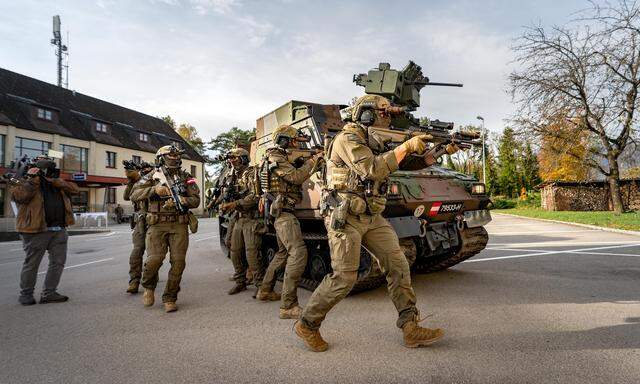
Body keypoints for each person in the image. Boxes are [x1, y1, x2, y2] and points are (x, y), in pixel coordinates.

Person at [295, 95, 458, 352]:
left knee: (398, 264)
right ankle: (307, 324)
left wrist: (438, 152)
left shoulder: (371, 139)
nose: (387, 116)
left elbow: (406, 164)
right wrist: (405, 146)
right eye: (383, 112)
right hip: (346, 216)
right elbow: (373, 169)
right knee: (344, 278)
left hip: (371, 215)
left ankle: (410, 327)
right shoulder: (347, 139)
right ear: (366, 113)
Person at [256, 125, 323, 318]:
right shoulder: (276, 158)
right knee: (298, 252)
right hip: (284, 213)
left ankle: (265, 290)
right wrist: (314, 161)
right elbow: (296, 177)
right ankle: (288, 306)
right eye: (293, 141)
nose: (295, 145)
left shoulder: (277, 157)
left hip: (281, 212)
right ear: (284, 141)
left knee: (282, 253)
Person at [130, 145, 200, 313]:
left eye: (177, 156)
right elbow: (133, 194)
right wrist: (155, 190)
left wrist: (183, 200)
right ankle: (148, 286)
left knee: (178, 263)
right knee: (154, 259)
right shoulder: (150, 176)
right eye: (171, 155)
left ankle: (170, 297)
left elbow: (196, 200)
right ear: (162, 157)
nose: (175, 158)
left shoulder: (186, 177)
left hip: (179, 224)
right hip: (156, 224)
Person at [9, 156, 79, 305]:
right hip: (35, 230)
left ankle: (49, 293)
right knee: (32, 263)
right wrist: (32, 179)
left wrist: (54, 180)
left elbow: (74, 190)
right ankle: (26, 294)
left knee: (58, 262)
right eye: (46, 169)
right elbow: (18, 196)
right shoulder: (25, 181)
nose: (49, 172)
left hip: (59, 229)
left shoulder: (56, 183)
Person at [219, 148, 266, 296]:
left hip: (252, 218)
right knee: (235, 252)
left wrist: (235, 204)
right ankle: (241, 281)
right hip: (238, 217)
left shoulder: (252, 174)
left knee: (252, 254)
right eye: (230, 159)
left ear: (244, 159)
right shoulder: (232, 176)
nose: (232, 161)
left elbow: (256, 196)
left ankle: (261, 286)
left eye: (235, 158)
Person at [123, 162, 155, 294]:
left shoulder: (155, 179)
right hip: (140, 222)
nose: (144, 172)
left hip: (154, 221)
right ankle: (134, 280)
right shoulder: (137, 182)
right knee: (137, 251)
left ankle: (151, 279)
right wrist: (131, 181)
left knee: (154, 254)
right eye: (142, 170)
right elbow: (127, 196)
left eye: (147, 169)